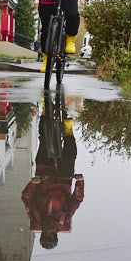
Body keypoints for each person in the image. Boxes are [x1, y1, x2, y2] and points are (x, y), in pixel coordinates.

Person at [21, 93, 84, 249]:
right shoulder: (64, 219)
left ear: (42, 233)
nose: (49, 231)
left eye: (45, 234)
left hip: (44, 174)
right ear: (56, 233)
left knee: (44, 139)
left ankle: (44, 110)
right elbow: (76, 200)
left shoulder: (35, 217)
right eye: (52, 234)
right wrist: (79, 182)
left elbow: (26, 198)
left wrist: (34, 183)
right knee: (70, 155)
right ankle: (69, 130)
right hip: (64, 177)